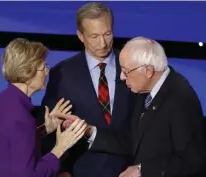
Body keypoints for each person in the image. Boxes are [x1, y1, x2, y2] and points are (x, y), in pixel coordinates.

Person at [56, 37, 206, 177]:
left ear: (148, 71)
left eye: (126, 72)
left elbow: (194, 161)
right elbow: (132, 140)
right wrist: (88, 130)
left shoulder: (180, 98)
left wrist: (143, 170)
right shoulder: (144, 92)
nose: (121, 77)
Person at [41, 2, 136, 177]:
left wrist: (142, 166)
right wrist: (60, 170)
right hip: (81, 170)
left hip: (128, 170)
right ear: (80, 36)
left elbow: (150, 125)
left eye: (107, 34)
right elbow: (50, 127)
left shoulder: (133, 66)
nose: (102, 43)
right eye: (94, 36)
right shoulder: (62, 74)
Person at [0, 38, 87, 177]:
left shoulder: (5, 99)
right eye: (43, 66)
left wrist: (44, 129)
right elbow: (28, 174)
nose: (47, 71)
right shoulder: (20, 115)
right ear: (28, 71)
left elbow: (15, 144)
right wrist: (60, 147)